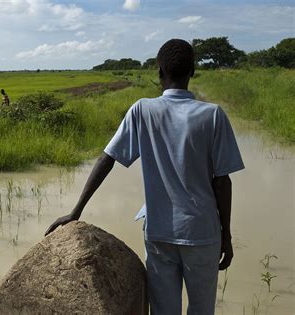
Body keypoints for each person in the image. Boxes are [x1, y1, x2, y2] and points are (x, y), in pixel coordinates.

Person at [45, 39, 244, 315]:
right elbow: (222, 181)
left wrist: (76, 210)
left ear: (159, 71)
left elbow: (107, 158)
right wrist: (227, 235)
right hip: (202, 233)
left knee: (163, 310)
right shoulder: (213, 116)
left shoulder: (142, 110)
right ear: (193, 71)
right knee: (202, 309)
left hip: (159, 232)